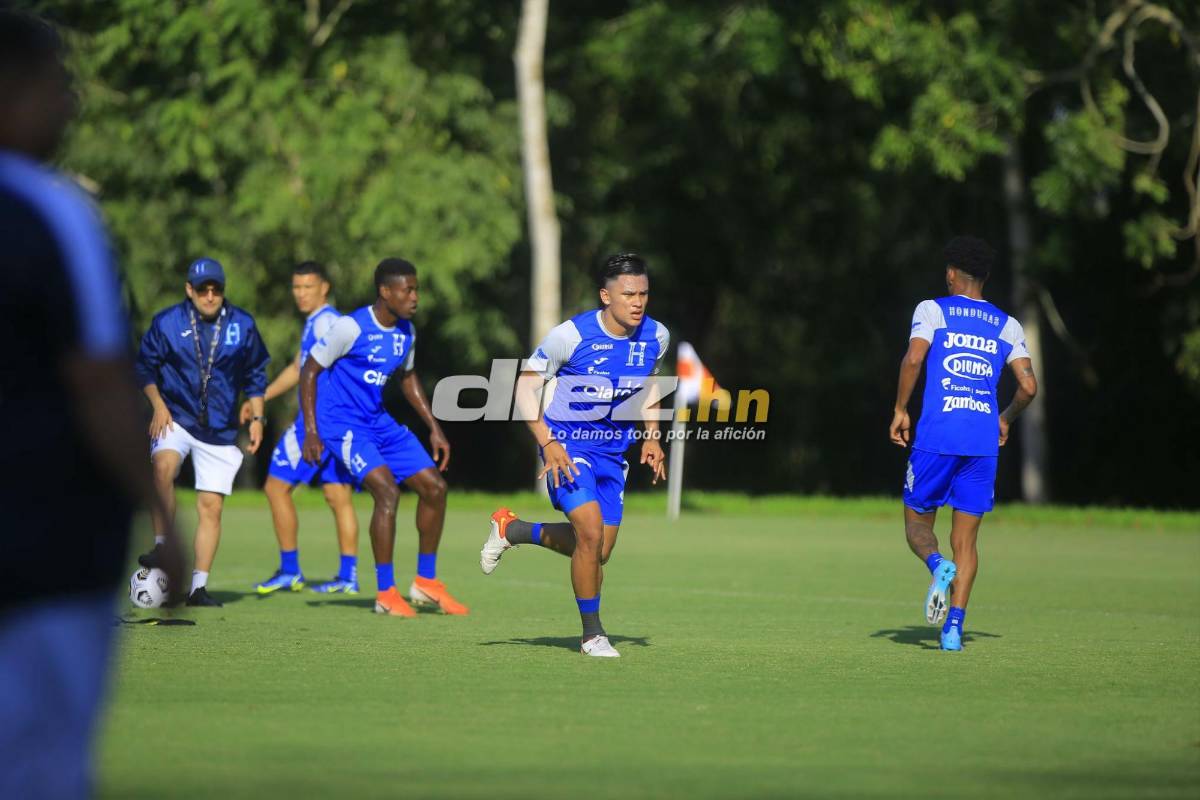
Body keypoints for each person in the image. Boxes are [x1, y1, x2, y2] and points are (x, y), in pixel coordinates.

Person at [0, 11, 185, 798]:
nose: (70, 102)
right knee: (40, 769)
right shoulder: (50, 209)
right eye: (56, 83)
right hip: (41, 545)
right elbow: (98, 383)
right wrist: (160, 521)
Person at [479, 253, 670, 657]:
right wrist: (548, 443)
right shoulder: (570, 336)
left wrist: (652, 437)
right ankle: (593, 635)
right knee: (588, 530)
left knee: (599, 549)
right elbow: (523, 389)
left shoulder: (656, 336)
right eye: (628, 294)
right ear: (606, 296)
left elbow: (651, 384)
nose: (637, 302)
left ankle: (512, 530)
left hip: (614, 454)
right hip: (567, 448)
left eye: (644, 294)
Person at [888, 236, 1038, 651]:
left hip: (937, 438)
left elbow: (914, 359)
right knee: (967, 541)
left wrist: (901, 409)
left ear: (951, 273)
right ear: (985, 278)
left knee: (917, 525)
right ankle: (954, 628)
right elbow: (1028, 386)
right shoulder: (1007, 325)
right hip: (981, 444)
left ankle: (937, 566)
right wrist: (1003, 419)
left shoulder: (932, 310)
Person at [300, 258, 465, 616]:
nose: (415, 296)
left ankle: (426, 583)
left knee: (435, 488)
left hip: (378, 421)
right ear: (385, 292)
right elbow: (309, 371)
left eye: (416, 288)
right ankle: (385, 592)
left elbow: (407, 378)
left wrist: (434, 427)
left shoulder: (406, 331)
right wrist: (311, 431)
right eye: (408, 289)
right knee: (387, 490)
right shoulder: (350, 328)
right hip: (341, 424)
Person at [135, 257, 271, 607]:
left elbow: (256, 374)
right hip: (175, 416)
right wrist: (158, 405)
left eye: (216, 289)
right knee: (163, 468)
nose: (210, 296)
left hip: (222, 426)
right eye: (202, 289)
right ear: (189, 290)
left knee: (210, 507)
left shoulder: (242, 324)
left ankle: (198, 588)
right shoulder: (167, 322)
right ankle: (163, 546)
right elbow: (144, 367)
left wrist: (257, 419)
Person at [243, 261, 359, 595]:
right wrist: (261, 396)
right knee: (337, 494)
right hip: (336, 421)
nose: (301, 293)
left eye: (308, 287)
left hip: (316, 422)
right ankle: (348, 578)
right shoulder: (318, 323)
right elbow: (298, 367)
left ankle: (290, 571)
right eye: (296, 287)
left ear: (324, 288)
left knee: (275, 487)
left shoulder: (328, 322)